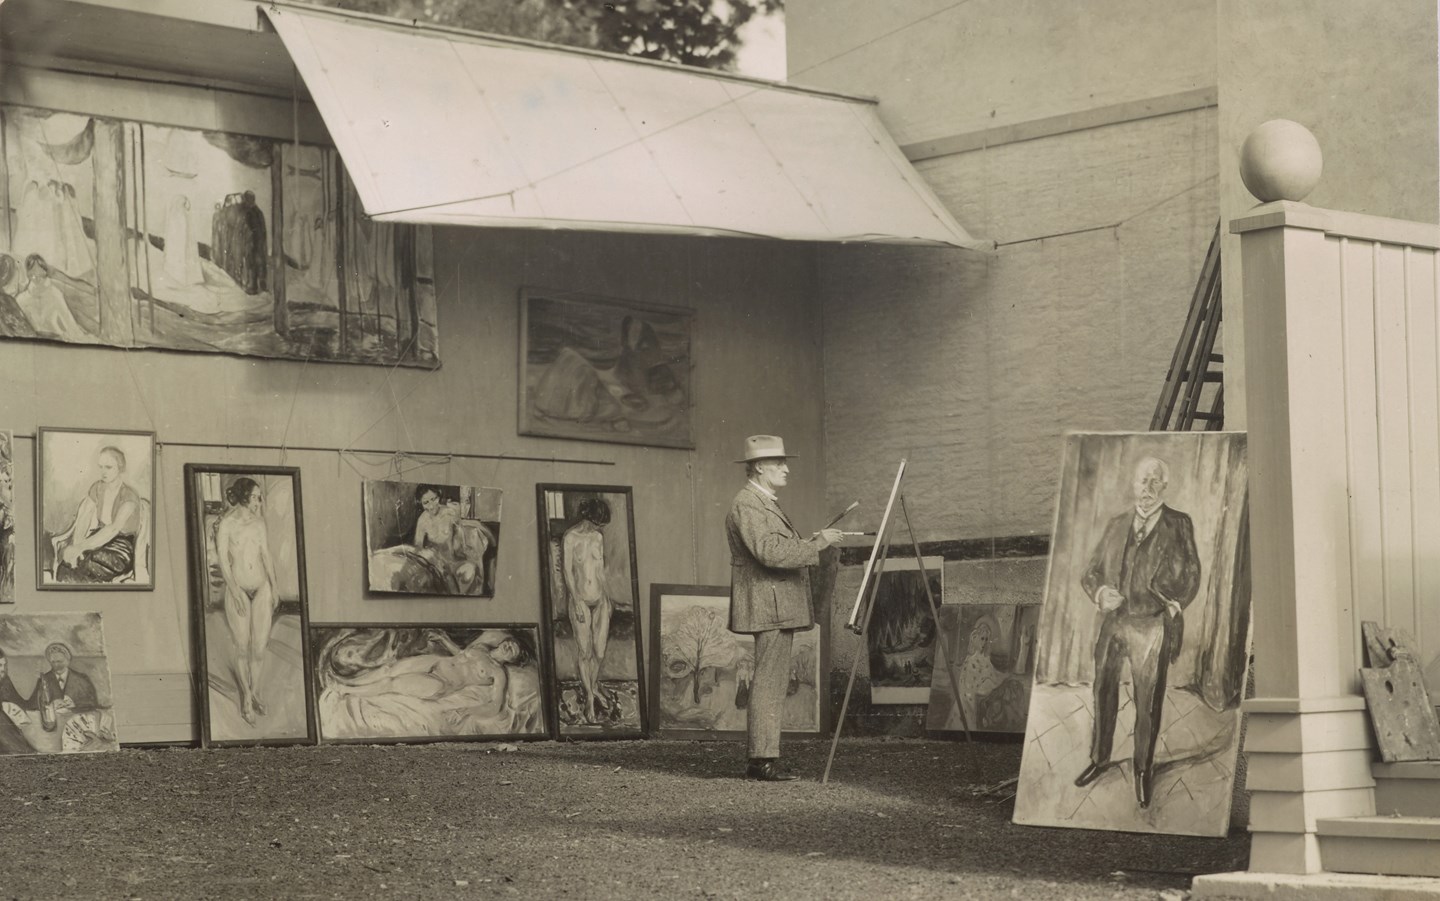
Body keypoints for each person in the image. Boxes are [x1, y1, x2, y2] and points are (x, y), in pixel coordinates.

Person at [1074, 456, 1202, 808]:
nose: (1145, 490)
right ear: (1132, 484)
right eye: (1140, 482)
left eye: (1153, 483)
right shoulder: (1117, 524)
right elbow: (1091, 572)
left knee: (1146, 702)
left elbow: (1192, 573)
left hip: (1151, 623)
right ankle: (1099, 759)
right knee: (1102, 689)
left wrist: (1173, 605)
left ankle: (1143, 769)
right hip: (1114, 621)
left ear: (1163, 487)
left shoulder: (1179, 524)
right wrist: (1101, 594)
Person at [726, 435, 842, 781]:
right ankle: (761, 760)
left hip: (775, 603)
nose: (786, 468)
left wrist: (809, 544)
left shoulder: (763, 502)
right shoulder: (748, 504)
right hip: (769, 604)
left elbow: (776, 547)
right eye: (779, 463)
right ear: (760, 467)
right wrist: (816, 546)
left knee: (772, 681)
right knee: (768, 682)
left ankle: (764, 757)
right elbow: (769, 553)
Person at [215, 477, 277, 726]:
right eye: (255, 497)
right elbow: (222, 559)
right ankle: (247, 699)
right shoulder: (227, 524)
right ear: (242, 498)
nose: (259, 502)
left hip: (261, 589)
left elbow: (266, 555)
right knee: (242, 647)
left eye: (259, 497)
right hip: (238, 589)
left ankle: (255, 692)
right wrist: (235, 589)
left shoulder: (260, 523)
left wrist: (275, 586)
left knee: (259, 648)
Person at [52, 445, 144, 584]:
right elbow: (84, 517)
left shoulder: (129, 495)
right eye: (100, 467)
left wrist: (80, 548)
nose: (103, 472)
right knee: (66, 566)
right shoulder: (98, 487)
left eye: (108, 467)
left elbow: (113, 529)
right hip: (97, 538)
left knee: (88, 566)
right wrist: (77, 546)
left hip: (121, 547)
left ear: (120, 468)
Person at [563, 498, 612, 724]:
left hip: (600, 599)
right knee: (585, 653)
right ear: (588, 518)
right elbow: (568, 573)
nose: (598, 528)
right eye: (596, 523)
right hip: (580, 599)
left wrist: (607, 599)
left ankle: (592, 687)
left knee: (600, 652)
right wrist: (576, 601)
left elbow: (600, 570)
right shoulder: (571, 538)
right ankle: (590, 699)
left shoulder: (598, 538)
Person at [15, 253, 89, 342]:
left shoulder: (55, 294)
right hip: (32, 343)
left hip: (55, 340)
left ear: (45, 271)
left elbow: (69, 322)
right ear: (28, 274)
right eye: (33, 271)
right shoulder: (21, 299)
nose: (37, 275)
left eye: (40, 270)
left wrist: (79, 339)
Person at [0, 648, 36, 755]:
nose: (3, 669)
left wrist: (40, 692)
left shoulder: (5, 681)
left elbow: (21, 704)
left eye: (3, 665)